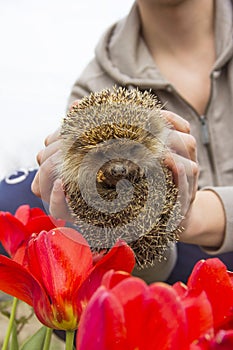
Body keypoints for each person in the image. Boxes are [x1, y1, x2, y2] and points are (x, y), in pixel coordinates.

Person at [31, 0, 233, 283]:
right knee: (15, 191)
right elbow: (149, 268)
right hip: (181, 275)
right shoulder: (94, 87)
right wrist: (110, 232)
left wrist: (201, 215)